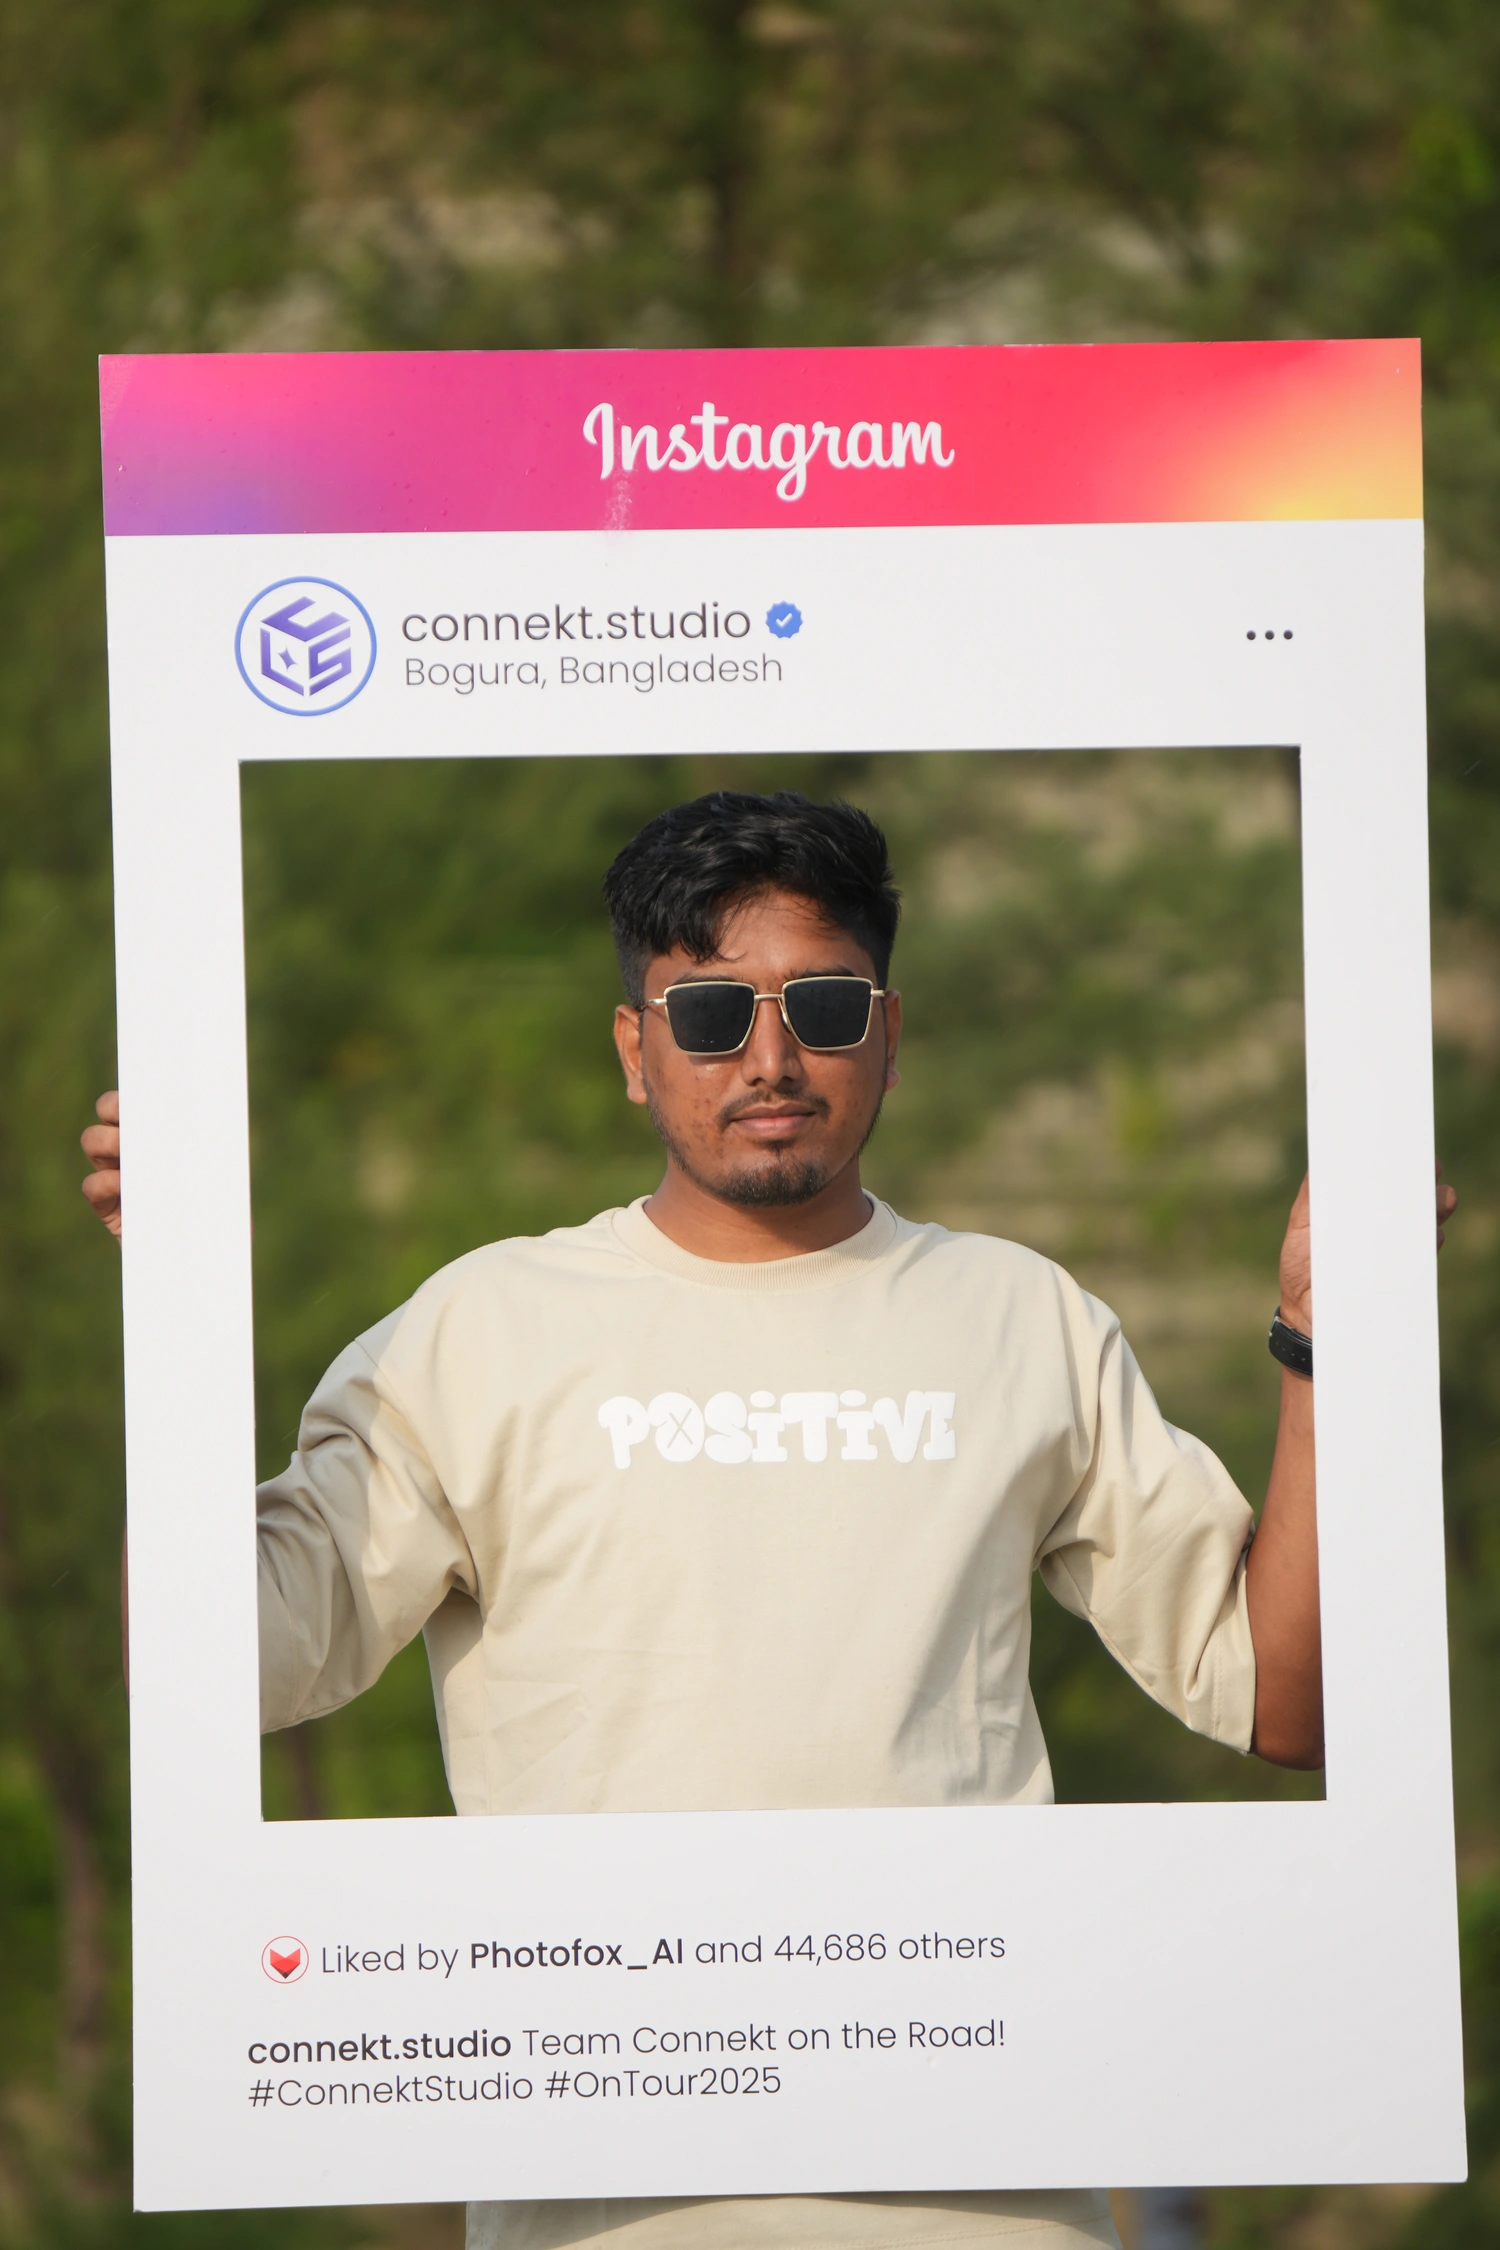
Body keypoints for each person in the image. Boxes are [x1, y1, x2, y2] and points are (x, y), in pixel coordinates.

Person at [82, 788, 1455, 2250]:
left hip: (993, 2202)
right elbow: (211, 1667)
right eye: (712, 1013)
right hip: (606, 2212)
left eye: (823, 1003)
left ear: (889, 1029)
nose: (774, 1055)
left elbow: (1290, 1694)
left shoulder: (1024, 1315)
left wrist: (1328, 1344)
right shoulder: (475, 1331)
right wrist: (178, 1308)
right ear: (634, 1048)